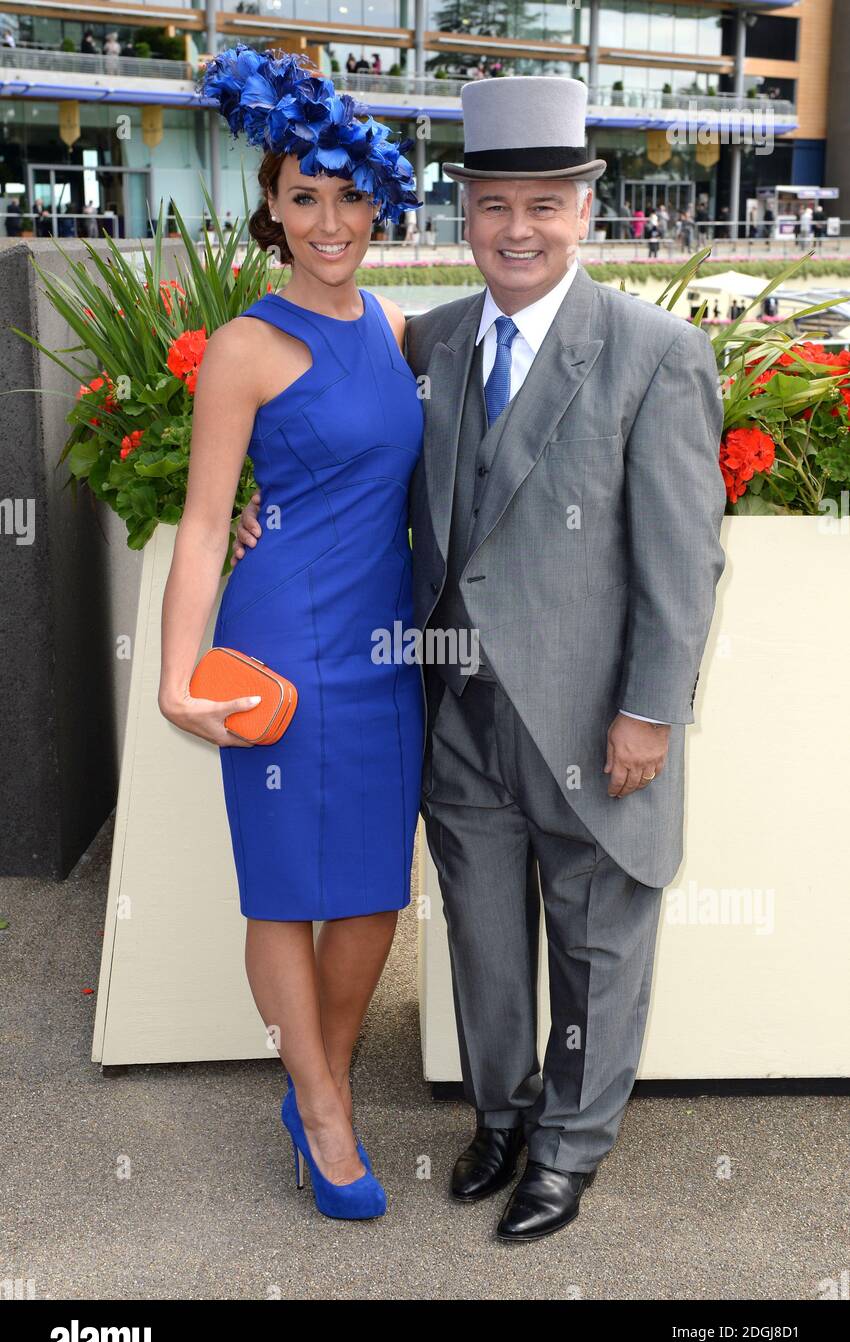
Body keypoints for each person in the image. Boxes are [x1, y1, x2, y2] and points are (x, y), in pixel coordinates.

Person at [235, 74, 726, 1242]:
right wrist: (268, 502)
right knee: (484, 936)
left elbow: (683, 556)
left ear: (586, 215)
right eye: (495, 204)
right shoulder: (434, 339)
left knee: (597, 937)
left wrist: (650, 711)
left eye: (543, 206)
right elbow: (346, 452)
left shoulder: (655, 353)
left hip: (592, 712)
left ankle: (566, 1147)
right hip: (451, 704)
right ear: (466, 215)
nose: (517, 229)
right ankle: (501, 1117)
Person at [158, 47, 422, 1223]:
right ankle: (322, 1107)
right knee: (283, 894)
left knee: (369, 894)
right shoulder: (244, 347)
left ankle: (317, 1073)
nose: (329, 220)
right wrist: (174, 679)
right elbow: (207, 520)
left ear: (379, 200)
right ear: (270, 204)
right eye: (303, 196)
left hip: (388, 648)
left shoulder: (406, 329)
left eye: (348, 195)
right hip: (279, 649)